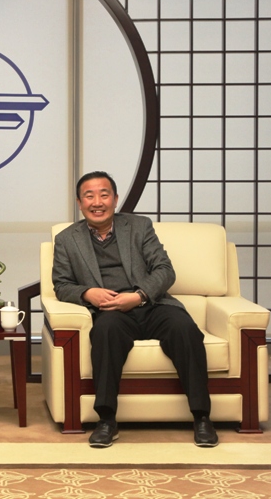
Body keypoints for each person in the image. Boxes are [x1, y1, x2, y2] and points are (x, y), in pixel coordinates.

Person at [52, 171, 218, 448]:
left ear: (115, 199)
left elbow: (164, 270)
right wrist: (87, 293)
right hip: (111, 312)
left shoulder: (139, 227)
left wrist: (139, 295)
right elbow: (61, 284)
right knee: (104, 332)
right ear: (80, 203)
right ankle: (106, 420)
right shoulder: (67, 239)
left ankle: (202, 417)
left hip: (152, 304)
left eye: (104, 195)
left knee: (185, 329)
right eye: (89, 196)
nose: (97, 202)